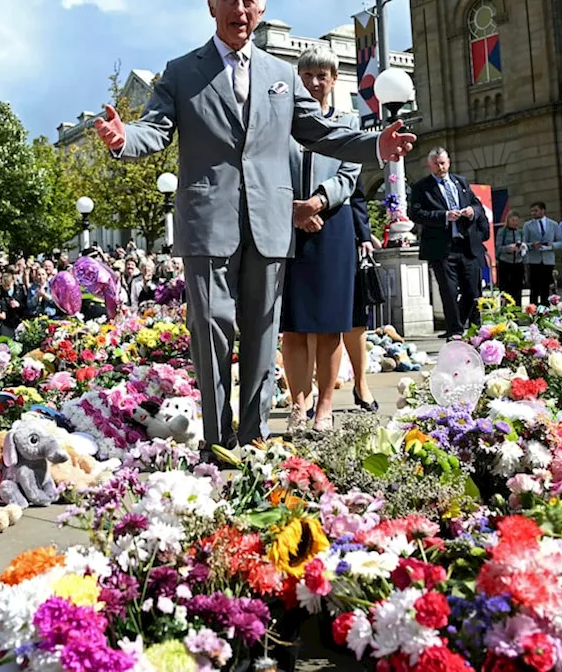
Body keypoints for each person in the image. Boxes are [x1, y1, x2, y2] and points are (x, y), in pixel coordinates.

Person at [94, 0, 413, 449]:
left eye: (250, 1)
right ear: (211, 5)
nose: (240, 9)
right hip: (208, 223)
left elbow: (319, 131)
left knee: (264, 335)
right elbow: (155, 129)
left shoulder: (280, 74)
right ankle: (218, 436)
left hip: (268, 221)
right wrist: (124, 137)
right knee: (210, 329)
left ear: (261, 9)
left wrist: (373, 145)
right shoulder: (183, 71)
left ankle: (254, 437)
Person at [278, 46, 365, 434]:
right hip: (286, 224)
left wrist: (317, 202)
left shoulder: (348, 120)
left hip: (333, 226)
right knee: (293, 325)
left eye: (322, 75)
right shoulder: (281, 122)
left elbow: (349, 172)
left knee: (330, 324)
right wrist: (293, 209)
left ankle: (325, 407)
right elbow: (268, 168)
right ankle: (298, 402)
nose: (315, 82)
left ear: (334, 80)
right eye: (308, 75)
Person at [407, 147, 488, 338]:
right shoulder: (421, 188)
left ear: (449, 162)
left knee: (472, 291)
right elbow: (416, 214)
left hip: (466, 245)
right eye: (435, 164)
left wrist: (471, 211)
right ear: (429, 165)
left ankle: (457, 323)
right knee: (449, 292)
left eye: (442, 163)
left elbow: (477, 205)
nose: (440, 167)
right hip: (442, 248)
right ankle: (456, 331)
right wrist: (444, 216)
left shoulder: (461, 182)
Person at [343, 184, 378, 414]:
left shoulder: (344, 150)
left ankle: (360, 382)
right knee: (311, 325)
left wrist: (364, 235)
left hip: (345, 237)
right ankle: (307, 394)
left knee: (355, 318)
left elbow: (357, 196)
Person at [522, 201, 561, 307]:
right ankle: (533, 310)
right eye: (532, 211)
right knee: (534, 287)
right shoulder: (527, 225)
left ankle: (545, 310)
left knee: (546, 287)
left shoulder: (553, 224)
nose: (533, 213)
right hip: (534, 259)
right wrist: (532, 245)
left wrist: (551, 245)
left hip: (548, 259)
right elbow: (524, 242)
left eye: (536, 210)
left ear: (543, 210)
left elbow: (560, 242)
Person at [494, 211, 527, 306]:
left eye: (516, 220)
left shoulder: (520, 232)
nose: (515, 222)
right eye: (512, 220)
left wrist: (522, 248)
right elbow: (498, 248)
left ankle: (517, 310)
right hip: (505, 263)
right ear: (508, 220)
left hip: (518, 263)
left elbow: (524, 245)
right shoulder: (502, 231)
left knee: (517, 289)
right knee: (505, 289)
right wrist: (509, 248)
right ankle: (505, 310)